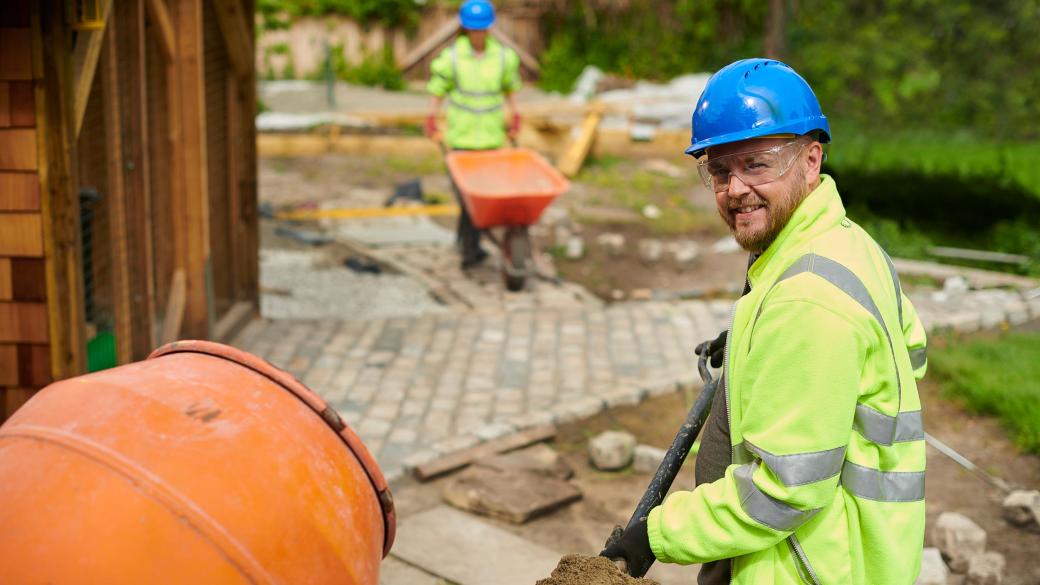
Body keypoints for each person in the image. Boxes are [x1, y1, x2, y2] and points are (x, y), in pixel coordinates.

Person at [602, 58, 930, 585]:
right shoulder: (846, 243)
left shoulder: (806, 303)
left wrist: (655, 535)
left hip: (807, 565)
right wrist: (763, 351)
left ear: (811, 159)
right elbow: (910, 352)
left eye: (756, 164)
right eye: (719, 170)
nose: (734, 190)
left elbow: (783, 492)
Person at [425, 0, 522, 269]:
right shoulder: (453, 57)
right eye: (473, 30)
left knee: (480, 200)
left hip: (491, 140)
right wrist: (431, 117)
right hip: (461, 140)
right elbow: (438, 87)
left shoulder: (503, 57)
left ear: (490, 28)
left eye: (482, 29)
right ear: (465, 29)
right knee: (467, 200)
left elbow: (510, 87)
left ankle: (467, 245)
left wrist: (515, 115)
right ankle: (469, 251)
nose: (478, 34)